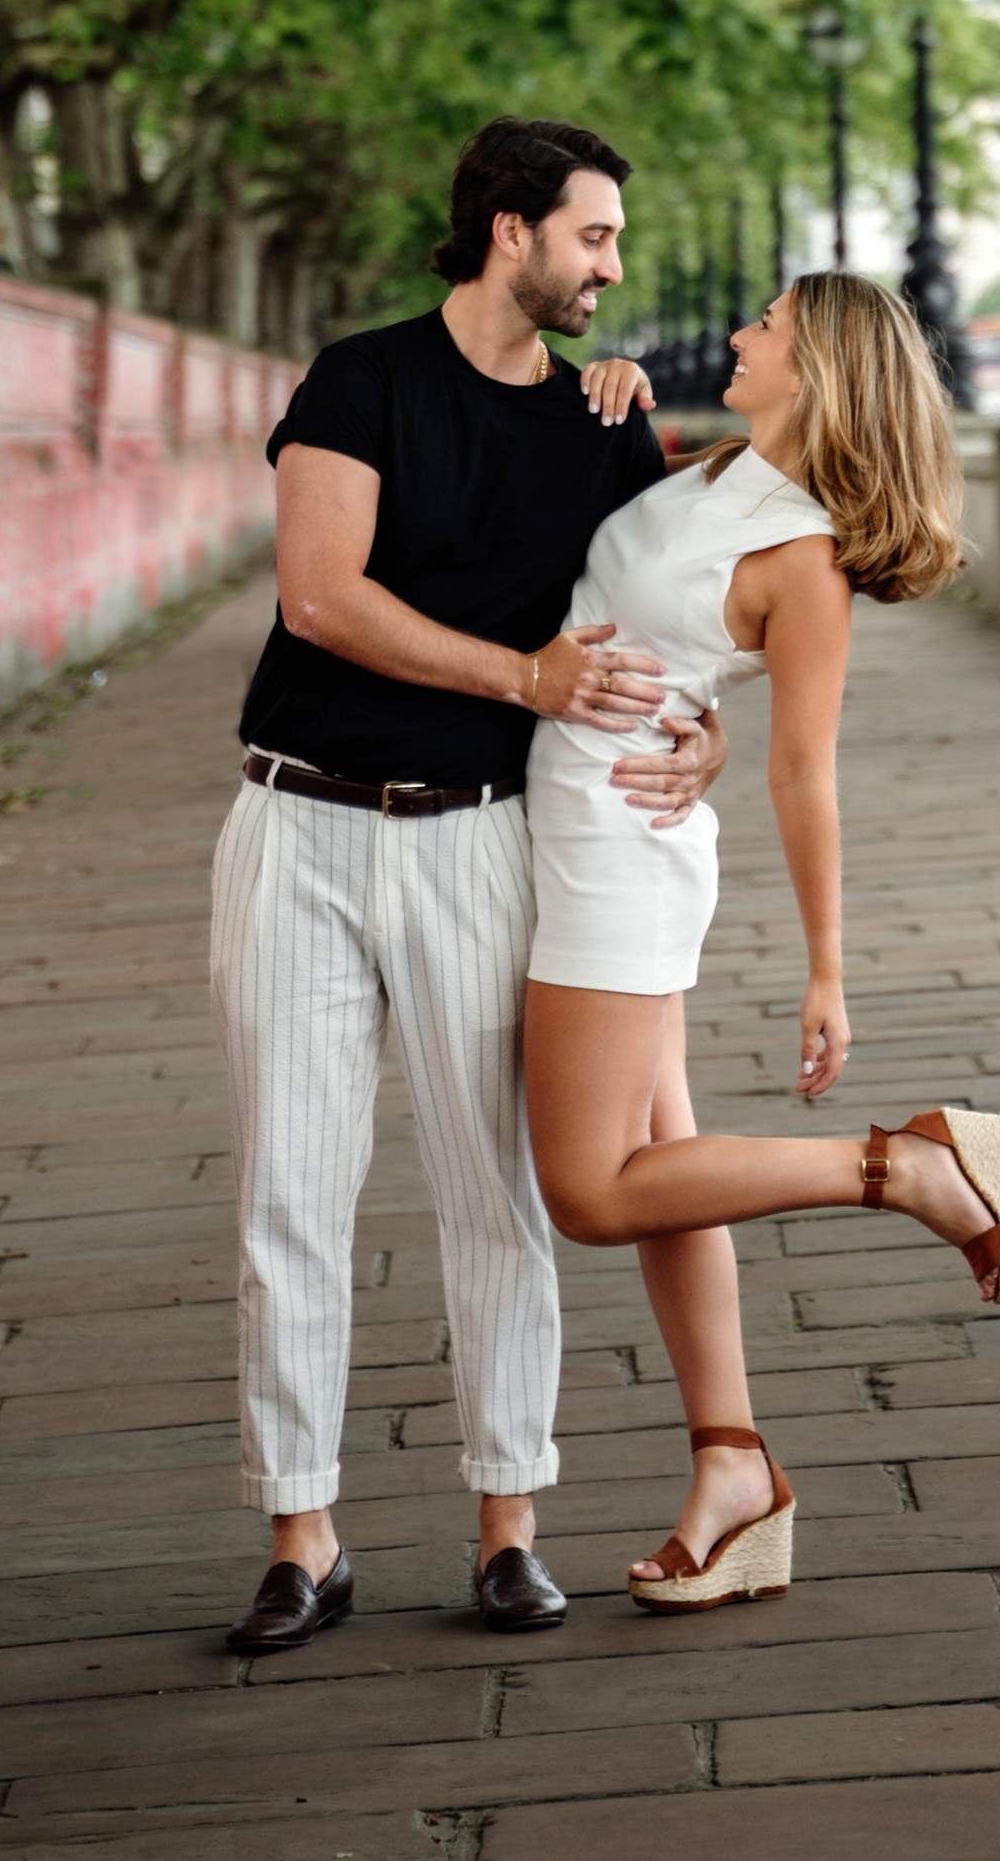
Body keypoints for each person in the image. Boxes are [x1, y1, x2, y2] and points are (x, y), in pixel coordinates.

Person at [212, 115, 708, 1655]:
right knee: (289, 1192)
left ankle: (510, 1523)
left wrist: (693, 734)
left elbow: (669, 627)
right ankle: (303, 1533)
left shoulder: (609, 425)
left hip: (483, 836)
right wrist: (527, 676)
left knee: (499, 1192)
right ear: (512, 231)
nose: (612, 268)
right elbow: (319, 593)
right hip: (296, 827)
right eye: (596, 236)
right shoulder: (360, 382)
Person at [522, 270, 1000, 1614]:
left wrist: (827, 967)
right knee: (664, 1174)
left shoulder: (802, 559)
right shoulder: (704, 469)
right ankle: (734, 1474)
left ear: (817, 365)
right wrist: (604, 390)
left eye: (764, 326)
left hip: (612, 856)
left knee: (589, 1192)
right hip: (575, 824)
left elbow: (808, 776)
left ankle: (904, 1165)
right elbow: (609, 589)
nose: (738, 335)